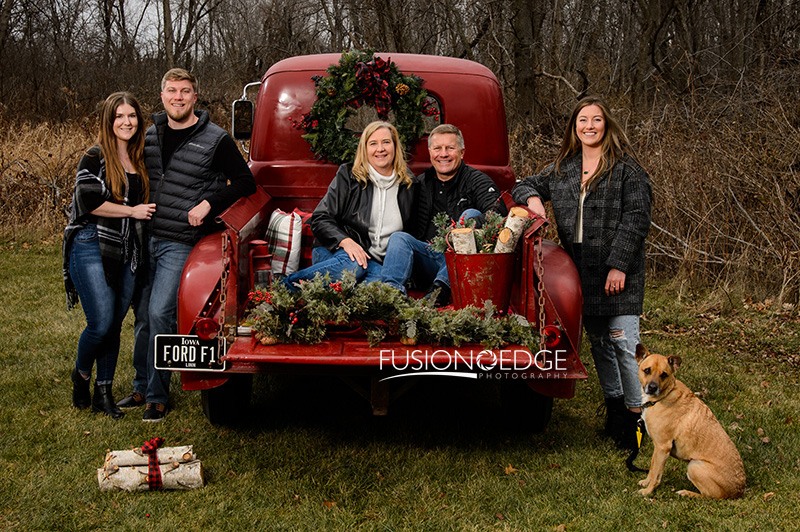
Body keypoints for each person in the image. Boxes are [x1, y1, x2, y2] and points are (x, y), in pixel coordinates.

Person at [511, 95, 652, 449]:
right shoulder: (564, 168)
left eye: (596, 120)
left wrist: (619, 264)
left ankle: (638, 422)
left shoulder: (627, 170)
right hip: (582, 271)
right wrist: (533, 199)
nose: (589, 126)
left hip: (620, 270)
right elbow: (522, 185)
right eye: (582, 121)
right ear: (574, 128)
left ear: (607, 126)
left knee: (624, 343)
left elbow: (636, 220)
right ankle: (615, 414)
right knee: (600, 345)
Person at [116, 68, 257, 422]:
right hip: (145, 238)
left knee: (161, 312)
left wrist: (210, 202)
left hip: (181, 242)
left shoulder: (216, 139)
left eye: (185, 92)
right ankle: (140, 384)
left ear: (195, 97)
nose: (177, 97)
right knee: (142, 315)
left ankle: (157, 397)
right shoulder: (149, 136)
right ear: (161, 95)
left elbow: (245, 182)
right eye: (171, 91)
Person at [63, 92, 156, 419]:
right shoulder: (95, 155)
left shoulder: (138, 159)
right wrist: (132, 211)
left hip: (127, 247)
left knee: (115, 324)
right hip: (92, 242)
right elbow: (89, 201)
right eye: (119, 116)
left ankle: (104, 392)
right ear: (109, 120)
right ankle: (82, 374)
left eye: (132, 116)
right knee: (101, 323)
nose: (127, 122)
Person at [380, 123, 507, 306]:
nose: (443, 154)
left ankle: (439, 292)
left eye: (450, 148)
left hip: (462, 264)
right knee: (399, 238)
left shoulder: (477, 180)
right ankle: (390, 296)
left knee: (471, 213)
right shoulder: (421, 183)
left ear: (462, 152)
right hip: (427, 256)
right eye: (438, 148)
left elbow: (498, 214)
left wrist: (460, 229)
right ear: (430, 152)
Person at [282, 121, 416, 289]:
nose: (380, 149)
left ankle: (330, 298)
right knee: (353, 266)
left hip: (372, 262)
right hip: (333, 249)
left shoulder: (409, 185)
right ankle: (286, 286)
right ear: (365, 149)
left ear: (395, 147)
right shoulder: (349, 176)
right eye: (373, 143)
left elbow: (412, 234)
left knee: (383, 287)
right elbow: (320, 218)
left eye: (386, 142)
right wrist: (345, 241)